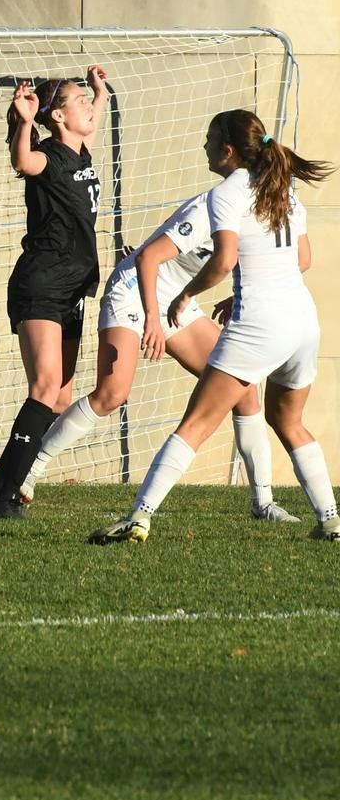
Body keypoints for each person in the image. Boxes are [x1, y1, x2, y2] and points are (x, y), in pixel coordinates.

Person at [90, 111, 336, 544]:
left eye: (208, 140)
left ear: (227, 151)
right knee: (288, 420)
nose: (203, 147)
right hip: (302, 321)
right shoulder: (284, 187)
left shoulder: (227, 192)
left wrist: (186, 296)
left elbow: (223, 261)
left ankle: (139, 516)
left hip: (259, 325)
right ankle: (330, 519)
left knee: (196, 423)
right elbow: (302, 260)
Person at [16, 186, 292, 521]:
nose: (207, 146)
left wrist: (237, 295)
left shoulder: (261, 208)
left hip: (178, 298)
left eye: (212, 139)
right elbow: (148, 258)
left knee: (245, 388)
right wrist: (152, 318)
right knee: (112, 393)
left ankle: (262, 503)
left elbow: (276, 261)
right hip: (135, 290)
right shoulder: (212, 205)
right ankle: (29, 470)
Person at [0, 68, 110, 519]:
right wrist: (25, 121)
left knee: (59, 399)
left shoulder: (81, 150)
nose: (89, 107)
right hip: (41, 283)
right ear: (57, 116)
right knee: (45, 386)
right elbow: (22, 162)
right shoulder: (48, 155)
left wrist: (99, 89)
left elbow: (93, 113)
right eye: (79, 101)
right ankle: (6, 497)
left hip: (72, 288)